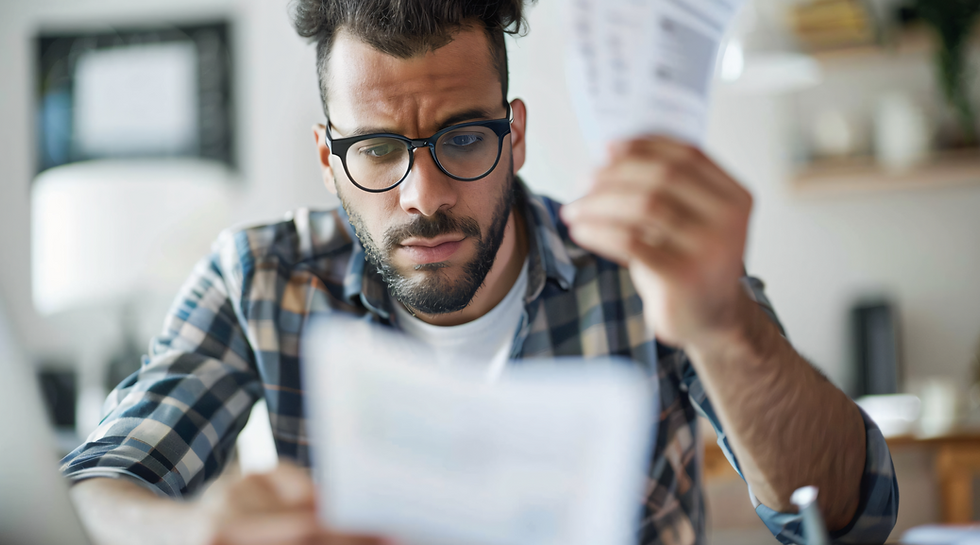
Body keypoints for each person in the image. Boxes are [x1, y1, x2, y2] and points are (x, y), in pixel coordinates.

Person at [62, 1, 899, 544]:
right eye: (380, 148)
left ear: (517, 134)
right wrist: (194, 531)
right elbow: (98, 488)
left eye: (464, 139)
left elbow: (854, 517)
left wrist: (727, 328)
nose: (424, 197)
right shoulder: (260, 279)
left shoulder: (646, 268)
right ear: (327, 157)